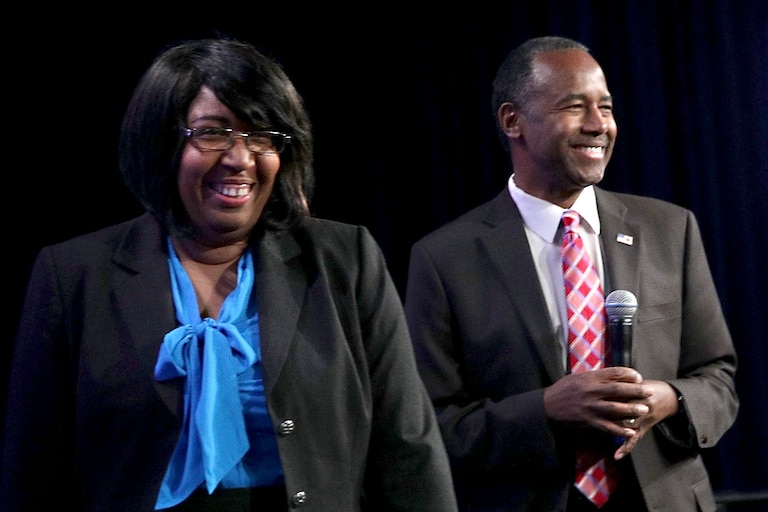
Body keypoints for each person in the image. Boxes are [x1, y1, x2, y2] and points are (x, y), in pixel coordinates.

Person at [2, 37, 459, 512]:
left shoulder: (345, 258)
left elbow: (409, 449)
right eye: (212, 132)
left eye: (262, 135)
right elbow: (34, 477)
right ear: (161, 142)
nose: (241, 158)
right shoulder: (74, 276)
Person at [403, 35, 738, 512]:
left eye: (606, 106)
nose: (599, 124)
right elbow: (428, 424)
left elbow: (719, 380)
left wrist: (667, 398)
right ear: (512, 120)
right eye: (575, 107)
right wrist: (545, 410)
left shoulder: (670, 230)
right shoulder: (444, 259)